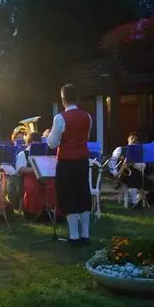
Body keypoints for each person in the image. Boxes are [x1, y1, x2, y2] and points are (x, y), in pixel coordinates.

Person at [46, 84, 93, 246]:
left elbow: (52, 143)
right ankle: (86, 235)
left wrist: (47, 136)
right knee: (83, 194)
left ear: (63, 99)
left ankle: (74, 236)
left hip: (66, 162)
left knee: (69, 196)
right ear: (77, 98)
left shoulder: (59, 118)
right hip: (82, 161)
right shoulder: (87, 116)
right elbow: (85, 137)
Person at [110, 132, 154, 208]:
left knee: (150, 184)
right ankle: (135, 202)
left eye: (136, 139)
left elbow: (143, 167)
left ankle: (138, 198)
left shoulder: (140, 152)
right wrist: (115, 172)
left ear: (138, 142)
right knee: (132, 177)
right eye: (132, 138)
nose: (134, 140)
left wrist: (134, 163)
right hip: (122, 175)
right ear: (128, 139)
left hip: (136, 173)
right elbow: (112, 162)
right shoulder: (120, 149)